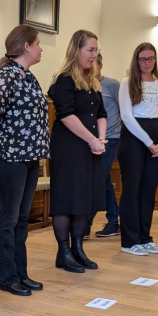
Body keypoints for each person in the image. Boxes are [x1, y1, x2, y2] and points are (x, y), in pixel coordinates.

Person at [0, 25, 50, 296]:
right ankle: (7, 277)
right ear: (26, 46)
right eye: (38, 43)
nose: (41, 48)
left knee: (22, 219)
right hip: (10, 158)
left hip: (30, 157)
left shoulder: (29, 77)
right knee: (9, 220)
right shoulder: (6, 76)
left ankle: (21, 273)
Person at [47, 29, 107, 273]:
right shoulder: (64, 79)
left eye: (96, 50)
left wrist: (100, 139)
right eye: (90, 50)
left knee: (83, 198)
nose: (94, 55)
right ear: (76, 50)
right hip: (68, 147)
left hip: (90, 147)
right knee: (66, 199)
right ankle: (64, 252)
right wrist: (92, 140)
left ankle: (78, 249)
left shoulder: (92, 81)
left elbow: (101, 114)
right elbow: (66, 116)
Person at [118, 42, 158, 256]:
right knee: (132, 189)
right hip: (133, 138)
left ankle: (144, 237)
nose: (147, 63)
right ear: (136, 60)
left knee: (148, 190)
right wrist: (149, 142)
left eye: (150, 59)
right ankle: (129, 241)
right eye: (142, 59)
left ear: (155, 60)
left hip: (157, 137)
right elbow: (126, 116)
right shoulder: (127, 83)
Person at [85, 53, 122, 239]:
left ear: (100, 65)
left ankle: (85, 224)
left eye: (94, 64)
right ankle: (114, 221)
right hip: (91, 140)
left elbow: (124, 111)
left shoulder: (113, 85)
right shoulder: (86, 85)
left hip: (111, 138)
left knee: (97, 179)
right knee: (104, 179)